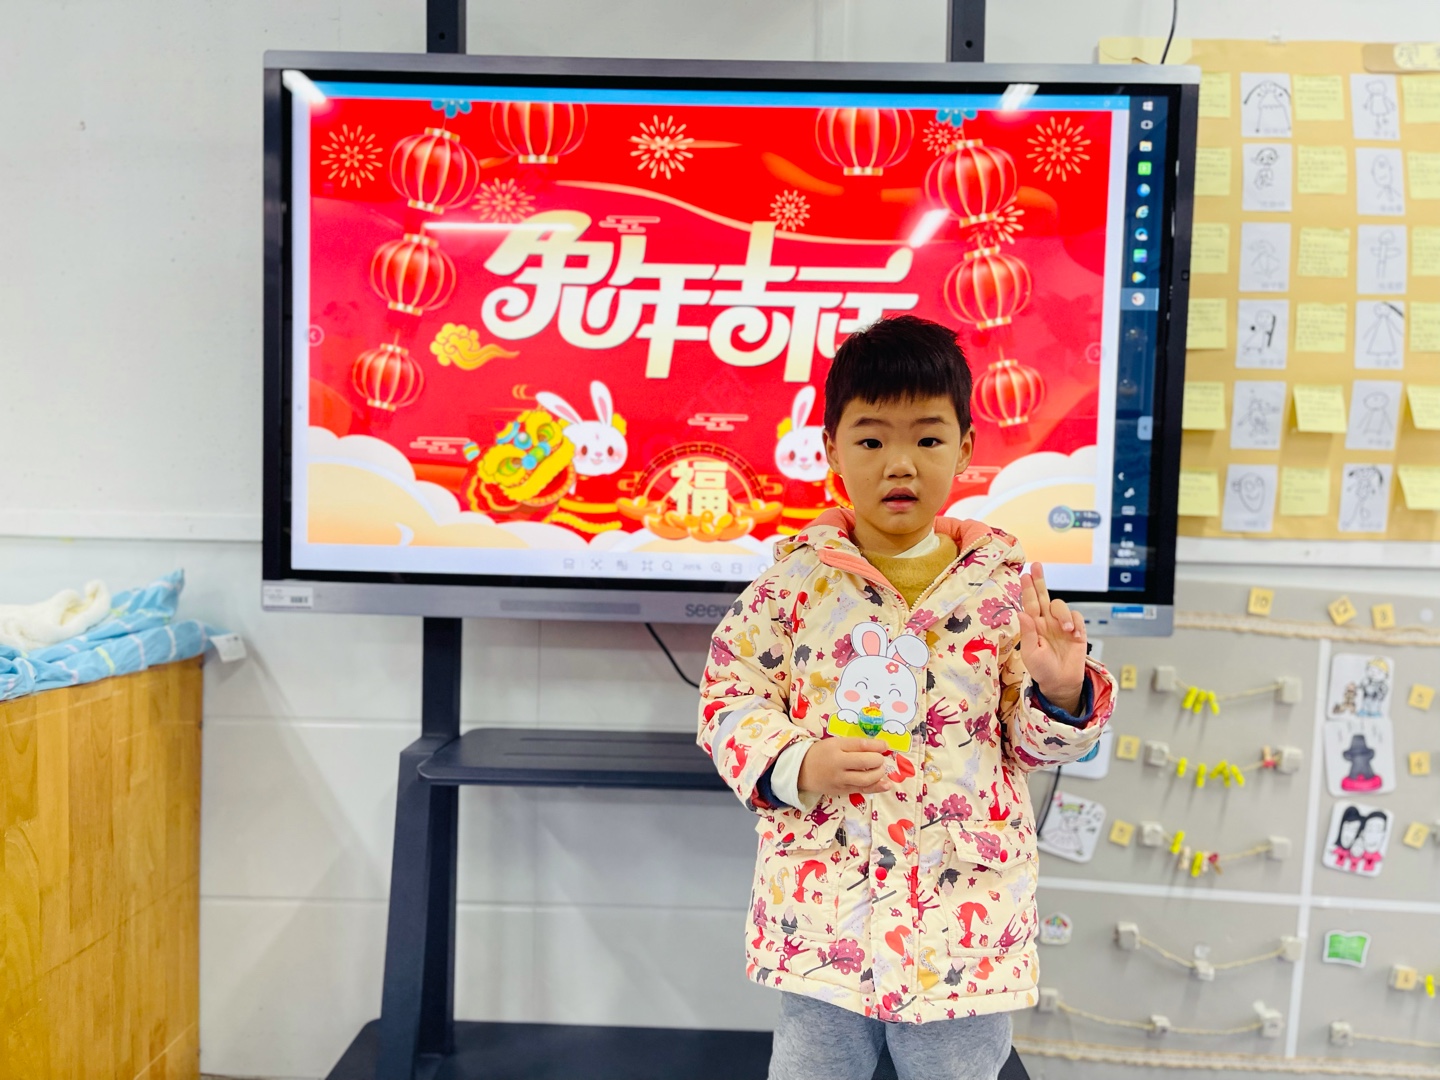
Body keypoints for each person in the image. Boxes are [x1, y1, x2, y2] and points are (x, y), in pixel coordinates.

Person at [697, 315, 1116, 1080]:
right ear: (831, 451)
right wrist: (799, 763)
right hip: (826, 916)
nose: (900, 463)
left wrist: (1061, 692)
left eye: (927, 438)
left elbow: (1029, 745)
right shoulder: (794, 583)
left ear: (966, 447)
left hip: (960, 919)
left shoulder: (1001, 586)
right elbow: (728, 699)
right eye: (870, 440)